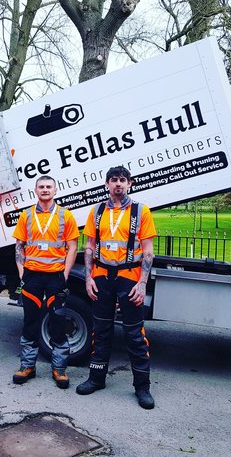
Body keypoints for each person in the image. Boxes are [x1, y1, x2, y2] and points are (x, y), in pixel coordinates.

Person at [77, 165, 157, 409]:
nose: (118, 184)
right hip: (101, 277)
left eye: (123, 179)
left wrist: (143, 283)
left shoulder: (140, 211)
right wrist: (89, 278)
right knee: (100, 330)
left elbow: (148, 251)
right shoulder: (98, 211)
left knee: (134, 334)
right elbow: (89, 245)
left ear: (130, 183)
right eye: (114, 180)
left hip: (130, 278)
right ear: (107, 183)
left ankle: (142, 387)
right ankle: (96, 378)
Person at [11, 175, 79, 389]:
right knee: (30, 321)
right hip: (32, 277)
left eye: (49, 186)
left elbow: (73, 247)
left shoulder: (65, 216)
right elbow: (19, 246)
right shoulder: (26, 215)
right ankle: (27, 366)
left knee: (58, 322)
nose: (45, 189)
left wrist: (65, 275)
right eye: (41, 186)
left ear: (55, 190)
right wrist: (22, 272)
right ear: (36, 190)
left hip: (55, 277)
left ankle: (59, 369)